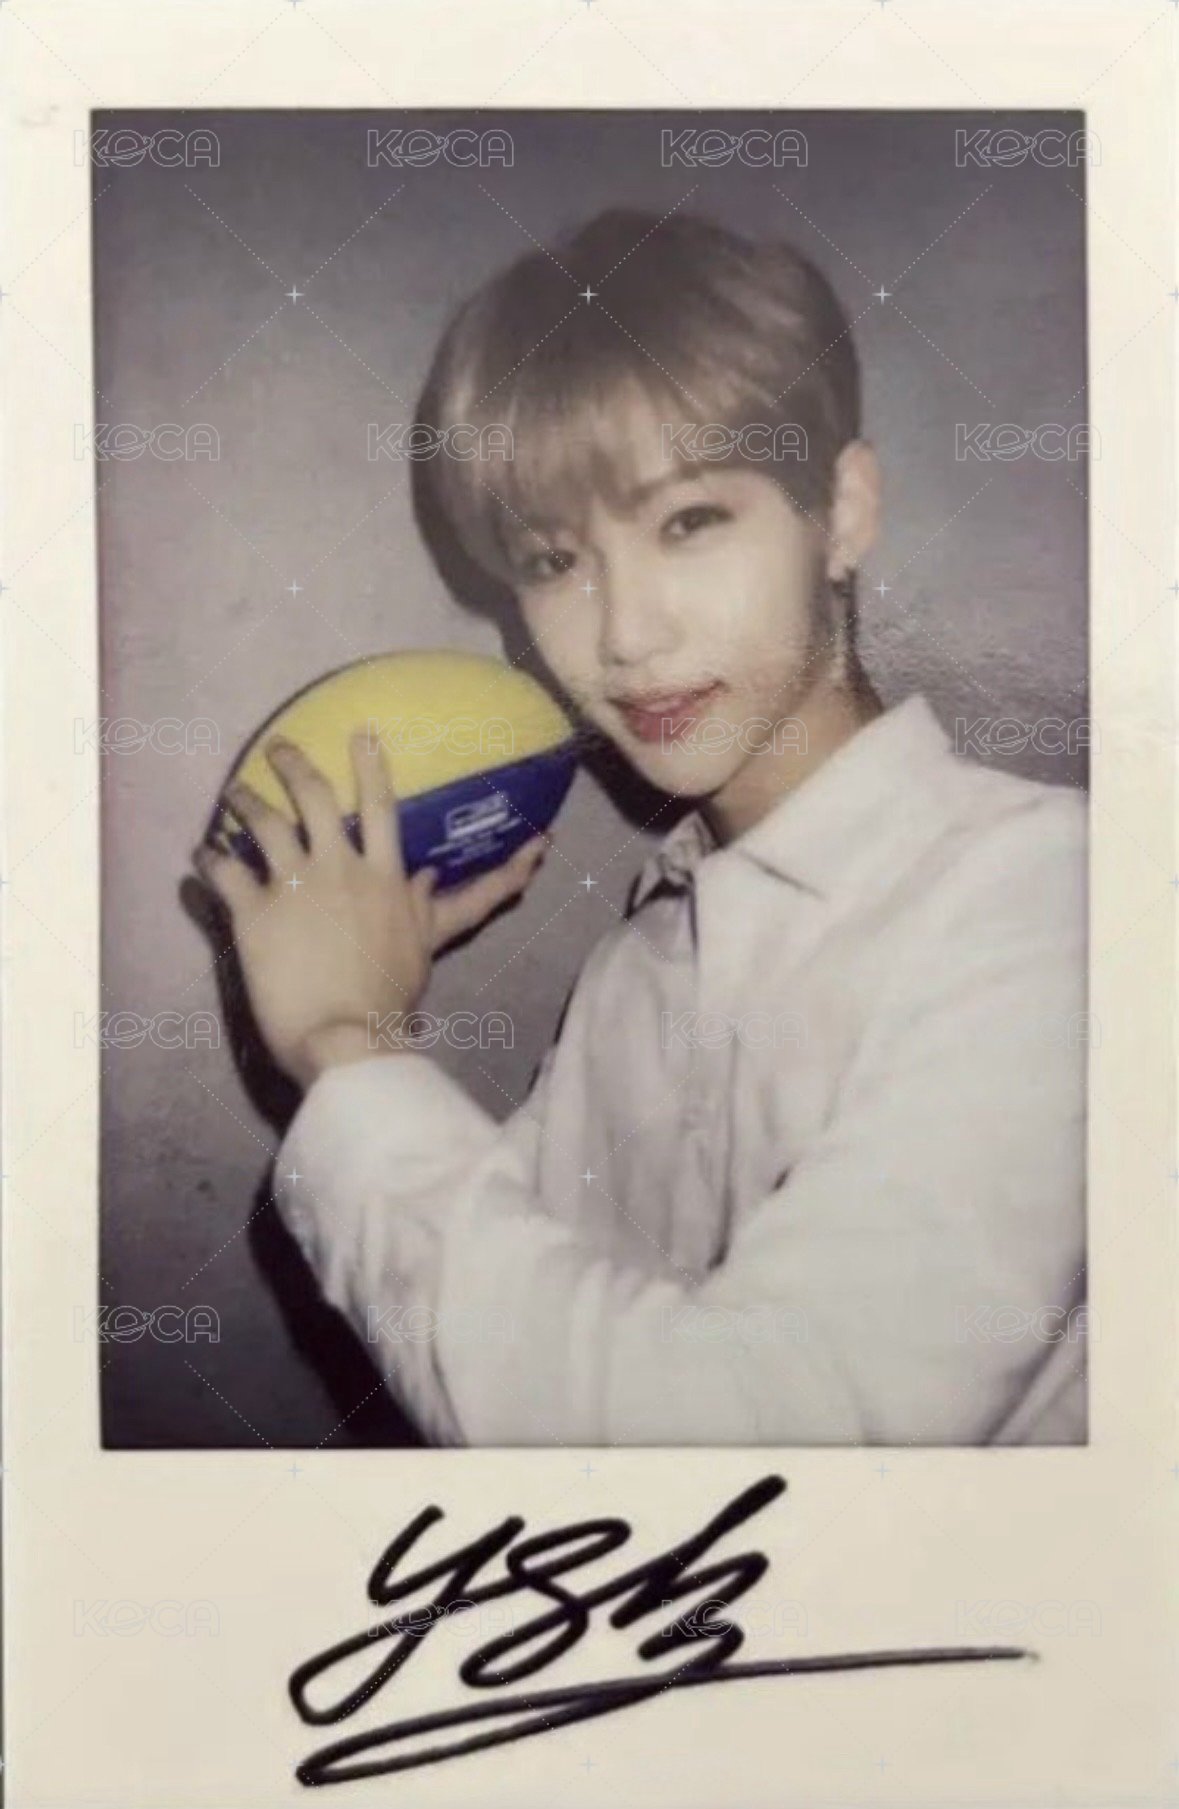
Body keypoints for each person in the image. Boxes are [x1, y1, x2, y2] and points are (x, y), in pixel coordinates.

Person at [193, 209, 1087, 1447]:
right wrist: (370, 1001)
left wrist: (350, 1046)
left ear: (842, 510)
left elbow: (748, 1449)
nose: (623, 634)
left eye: (689, 523)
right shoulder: (634, 975)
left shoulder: (1055, 898)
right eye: (554, 561)